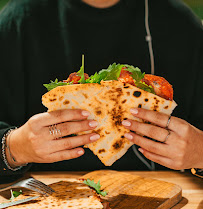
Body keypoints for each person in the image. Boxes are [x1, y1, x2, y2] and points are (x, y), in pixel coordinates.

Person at [0, 0, 203, 183]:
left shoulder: (181, 24)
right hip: (44, 204)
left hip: (166, 206)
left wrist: (200, 153)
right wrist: (15, 147)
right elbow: (9, 146)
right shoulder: (18, 21)